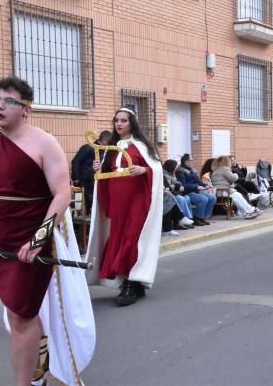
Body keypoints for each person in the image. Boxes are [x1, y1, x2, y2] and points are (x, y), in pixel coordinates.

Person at [0, 77, 95, 386]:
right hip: (0, 239)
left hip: (29, 240)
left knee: (21, 315)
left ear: (26, 109)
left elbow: (62, 194)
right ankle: (37, 366)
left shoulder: (44, 142)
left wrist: (38, 239)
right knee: (16, 313)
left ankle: (26, 382)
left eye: (8, 101)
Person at [86, 107, 163, 307]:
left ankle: (132, 281)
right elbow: (105, 174)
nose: (119, 124)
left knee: (133, 236)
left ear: (132, 124)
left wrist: (144, 169)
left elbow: (156, 169)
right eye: (116, 120)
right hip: (118, 201)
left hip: (137, 199)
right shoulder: (112, 147)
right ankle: (129, 283)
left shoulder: (142, 146)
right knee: (119, 236)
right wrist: (98, 169)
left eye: (124, 120)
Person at [71, 130, 111, 214]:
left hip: (95, 180)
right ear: (104, 141)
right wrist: (76, 178)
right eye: (109, 142)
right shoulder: (88, 148)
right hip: (84, 180)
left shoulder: (104, 150)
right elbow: (76, 161)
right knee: (83, 202)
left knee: (93, 200)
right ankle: (81, 218)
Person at [176, 154, 216, 226]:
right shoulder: (180, 171)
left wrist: (206, 185)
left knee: (212, 198)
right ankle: (197, 218)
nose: (193, 162)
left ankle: (203, 217)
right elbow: (183, 185)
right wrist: (196, 187)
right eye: (191, 160)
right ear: (186, 161)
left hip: (195, 191)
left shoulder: (192, 170)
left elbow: (198, 180)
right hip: (187, 192)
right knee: (203, 199)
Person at [162, 159, 195, 226]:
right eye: (175, 167)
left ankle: (188, 218)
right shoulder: (164, 174)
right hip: (171, 193)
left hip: (175, 192)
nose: (176, 168)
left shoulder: (172, 173)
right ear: (170, 166)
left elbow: (176, 183)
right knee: (181, 199)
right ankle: (179, 221)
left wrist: (178, 185)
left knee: (187, 198)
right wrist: (177, 186)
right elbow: (169, 187)